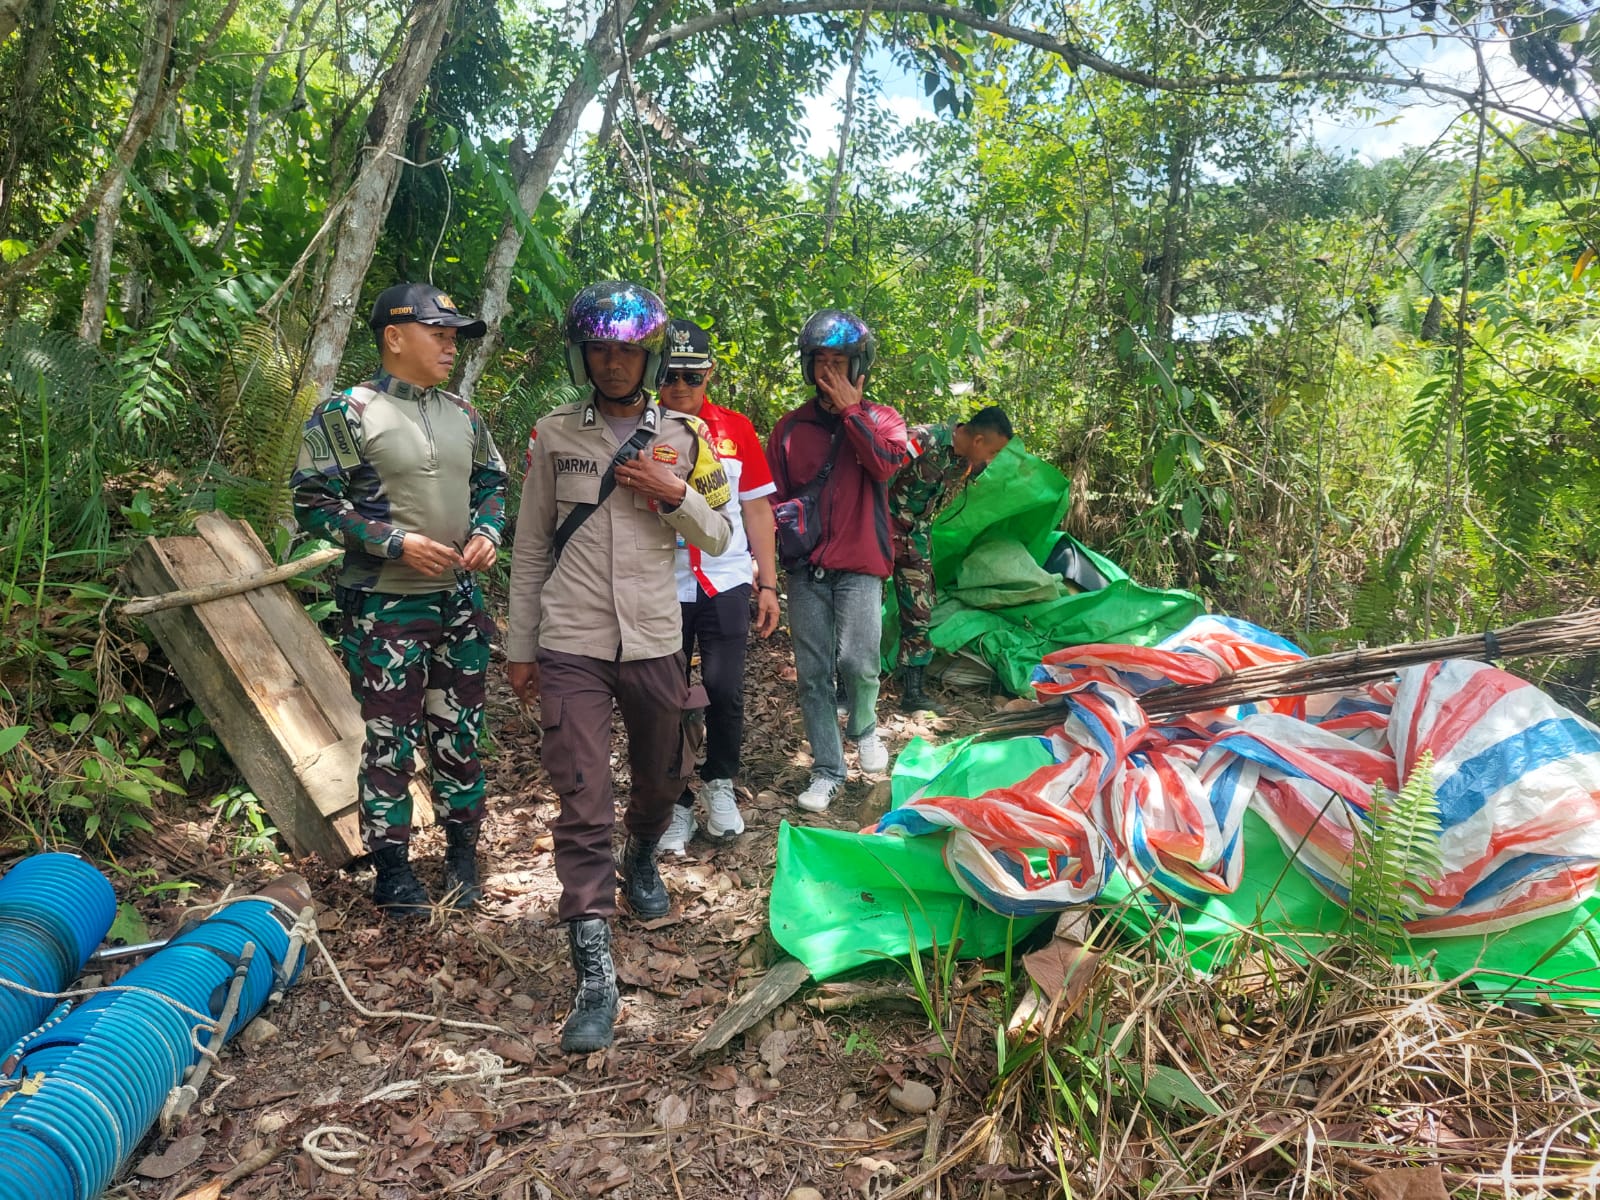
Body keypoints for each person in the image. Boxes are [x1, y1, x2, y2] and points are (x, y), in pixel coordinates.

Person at [506, 282, 733, 1054]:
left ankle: (644, 853)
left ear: (649, 357)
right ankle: (594, 972)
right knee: (580, 795)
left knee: (663, 779)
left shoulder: (689, 438)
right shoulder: (553, 433)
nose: (613, 363)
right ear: (583, 355)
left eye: (627, 351)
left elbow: (720, 533)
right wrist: (521, 644)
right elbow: (532, 542)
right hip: (571, 640)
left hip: (655, 639)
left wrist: (674, 494)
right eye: (600, 350)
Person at [290, 283, 506, 919]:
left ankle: (462, 853)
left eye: (454, 336)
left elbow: (492, 481)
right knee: (389, 740)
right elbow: (312, 502)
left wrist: (489, 530)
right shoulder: (348, 413)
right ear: (394, 337)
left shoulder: (462, 414)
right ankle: (393, 869)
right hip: (385, 607)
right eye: (438, 334)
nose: (450, 346)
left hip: (459, 605)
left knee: (460, 733)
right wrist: (392, 542)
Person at [767, 309, 907, 814]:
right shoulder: (789, 428)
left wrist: (853, 414)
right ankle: (827, 768)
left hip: (861, 565)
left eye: (840, 362)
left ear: (859, 365)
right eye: (820, 362)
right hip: (806, 570)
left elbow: (886, 465)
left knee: (858, 662)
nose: (829, 373)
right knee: (813, 674)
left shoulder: (885, 418)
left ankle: (865, 727)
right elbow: (771, 500)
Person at [655, 320, 781, 854]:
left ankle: (720, 783)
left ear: (709, 374)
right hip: (662, 582)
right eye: (668, 374)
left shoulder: (735, 429)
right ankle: (674, 800)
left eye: (691, 374)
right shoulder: (645, 427)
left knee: (725, 689)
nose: (680, 385)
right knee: (666, 696)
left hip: (726, 577)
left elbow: (755, 508)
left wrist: (768, 584)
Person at [889, 406, 1014, 713]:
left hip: (915, 538)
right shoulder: (920, 441)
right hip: (879, 530)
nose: (991, 459)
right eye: (993, 451)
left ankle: (913, 692)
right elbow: (875, 477)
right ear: (979, 439)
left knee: (920, 610)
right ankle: (843, 685)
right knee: (857, 608)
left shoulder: (966, 463)